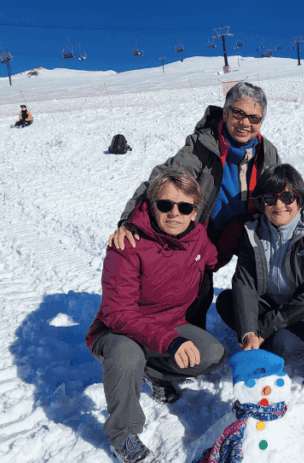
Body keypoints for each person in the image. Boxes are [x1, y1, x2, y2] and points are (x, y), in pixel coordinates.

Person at [108, 82, 281, 329]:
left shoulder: (267, 153)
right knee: (197, 289)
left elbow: (283, 190)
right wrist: (128, 222)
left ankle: (261, 333)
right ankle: (184, 341)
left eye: (254, 117)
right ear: (225, 112)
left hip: (245, 232)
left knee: (260, 281)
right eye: (239, 113)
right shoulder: (203, 146)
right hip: (205, 233)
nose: (245, 123)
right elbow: (164, 179)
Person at [86, 169, 226, 463]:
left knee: (211, 353)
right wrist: (169, 341)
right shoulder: (127, 244)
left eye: (185, 207)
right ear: (151, 205)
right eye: (165, 205)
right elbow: (117, 313)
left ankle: (155, 374)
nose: (174, 213)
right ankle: (123, 435)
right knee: (127, 354)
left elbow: (216, 257)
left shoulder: (197, 237)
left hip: (169, 324)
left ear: (194, 213)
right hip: (117, 331)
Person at [215, 164, 304, 385]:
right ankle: (262, 342)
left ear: (299, 198)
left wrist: (262, 328)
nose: (279, 205)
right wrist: (249, 332)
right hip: (269, 305)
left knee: (283, 345)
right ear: (262, 203)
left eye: (287, 196)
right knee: (226, 302)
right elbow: (244, 283)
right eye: (270, 198)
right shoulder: (253, 232)